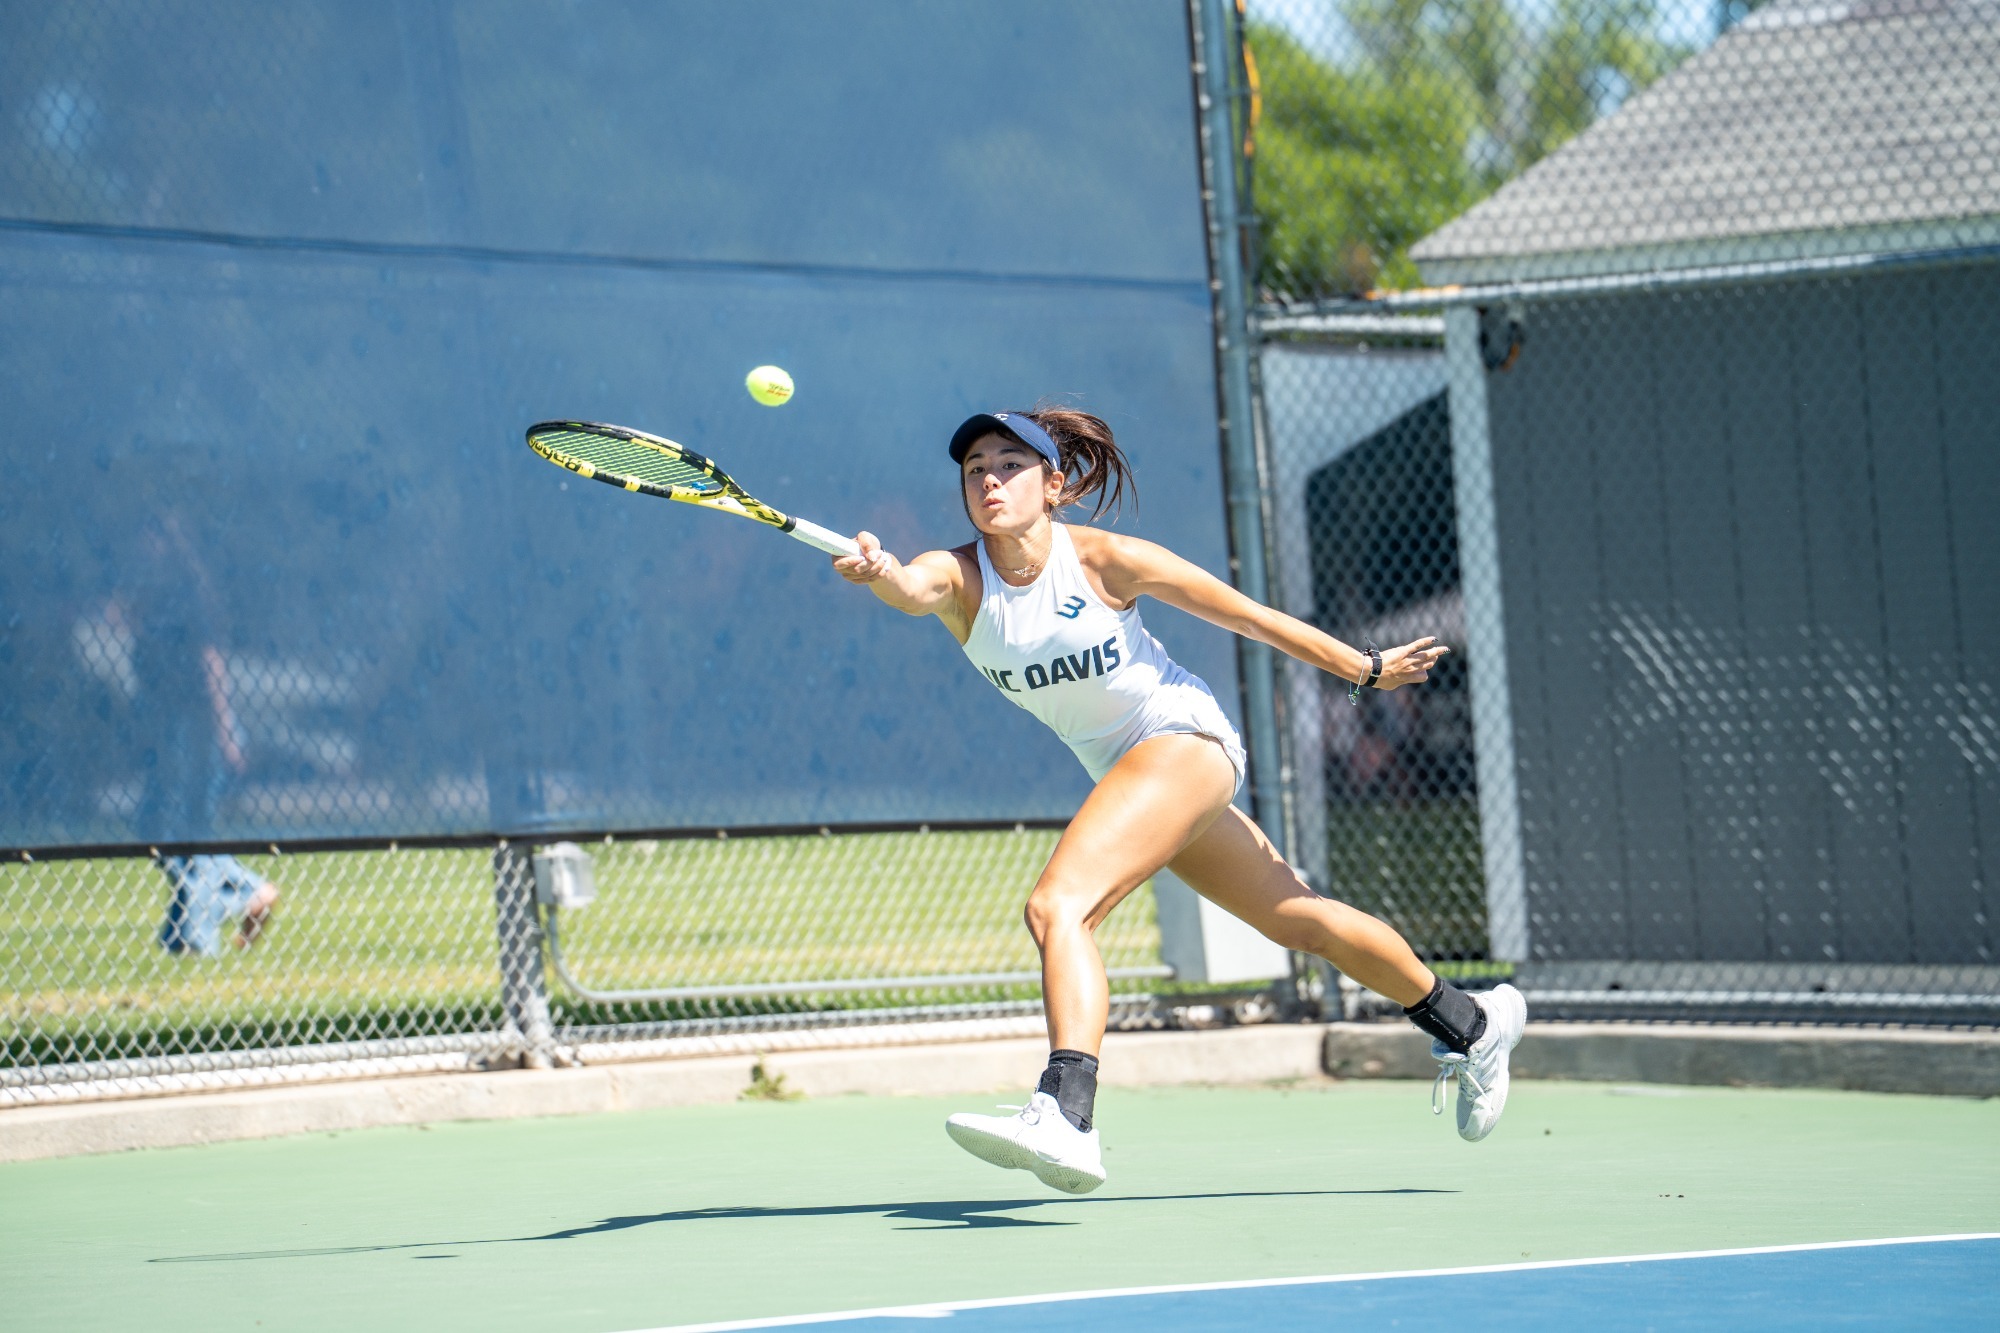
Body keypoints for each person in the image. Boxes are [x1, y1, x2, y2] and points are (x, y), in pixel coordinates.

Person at [834, 407, 1525, 1194]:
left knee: (1058, 906)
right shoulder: (959, 577)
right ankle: (1472, 1023)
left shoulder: (1105, 560)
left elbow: (1251, 617)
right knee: (1300, 919)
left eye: (1009, 464)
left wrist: (1366, 667)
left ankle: (1067, 1112)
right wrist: (878, 570)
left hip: (1184, 739)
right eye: (974, 470)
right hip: (1134, 776)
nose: (990, 479)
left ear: (1054, 485)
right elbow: (909, 585)